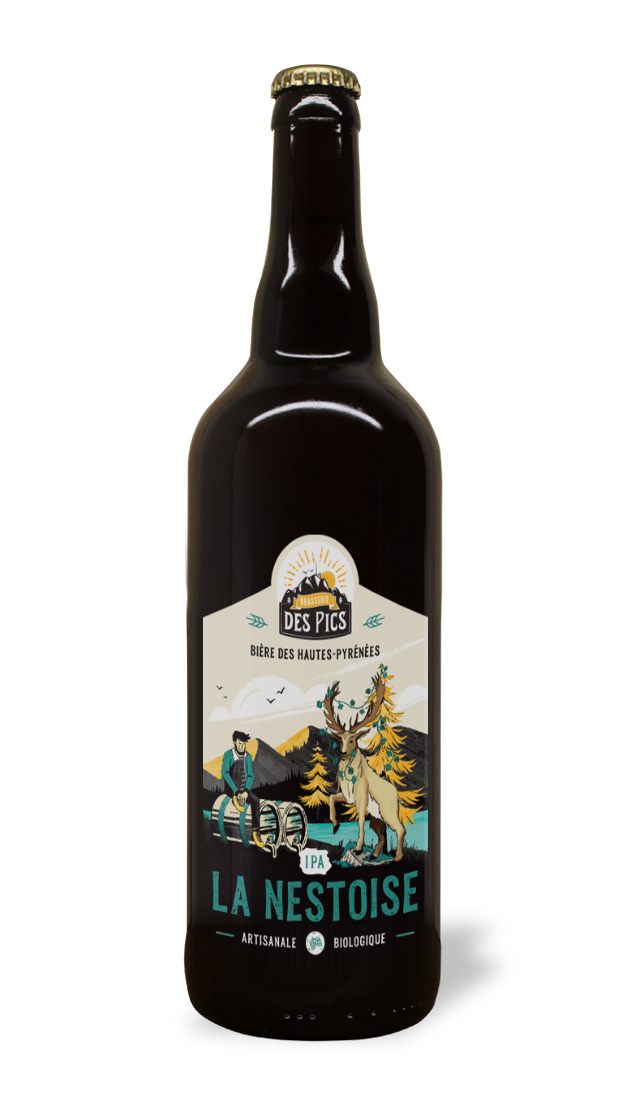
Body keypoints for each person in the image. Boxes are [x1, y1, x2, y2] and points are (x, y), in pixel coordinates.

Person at [221, 730, 265, 849]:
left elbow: (251, 776)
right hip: (231, 788)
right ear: (235, 742)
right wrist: (236, 791)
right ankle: (235, 799)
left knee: (256, 800)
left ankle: (256, 831)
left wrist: (246, 791)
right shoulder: (228, 755)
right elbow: (225, 773)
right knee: (234, 791)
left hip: (243, 790)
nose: (241, 746)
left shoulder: (248, 757)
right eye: (240, 743)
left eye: (244, 743)